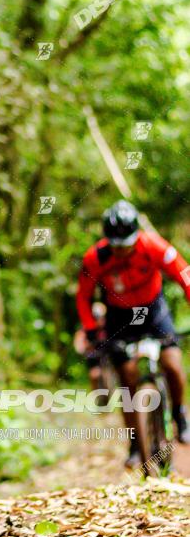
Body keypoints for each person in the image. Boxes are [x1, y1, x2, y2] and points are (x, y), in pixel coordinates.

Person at [76, 200, 190, 467]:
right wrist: (92, 331)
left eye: (126, 245)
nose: (122, 251)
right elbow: (83, 296)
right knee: (127, 379)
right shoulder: (95, 259)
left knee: (172, 364)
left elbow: (184, 274)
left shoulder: (153, 245)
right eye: (116, 246)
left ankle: (179, 414)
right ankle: (135, 444)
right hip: (120, 317)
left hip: (154, 312)